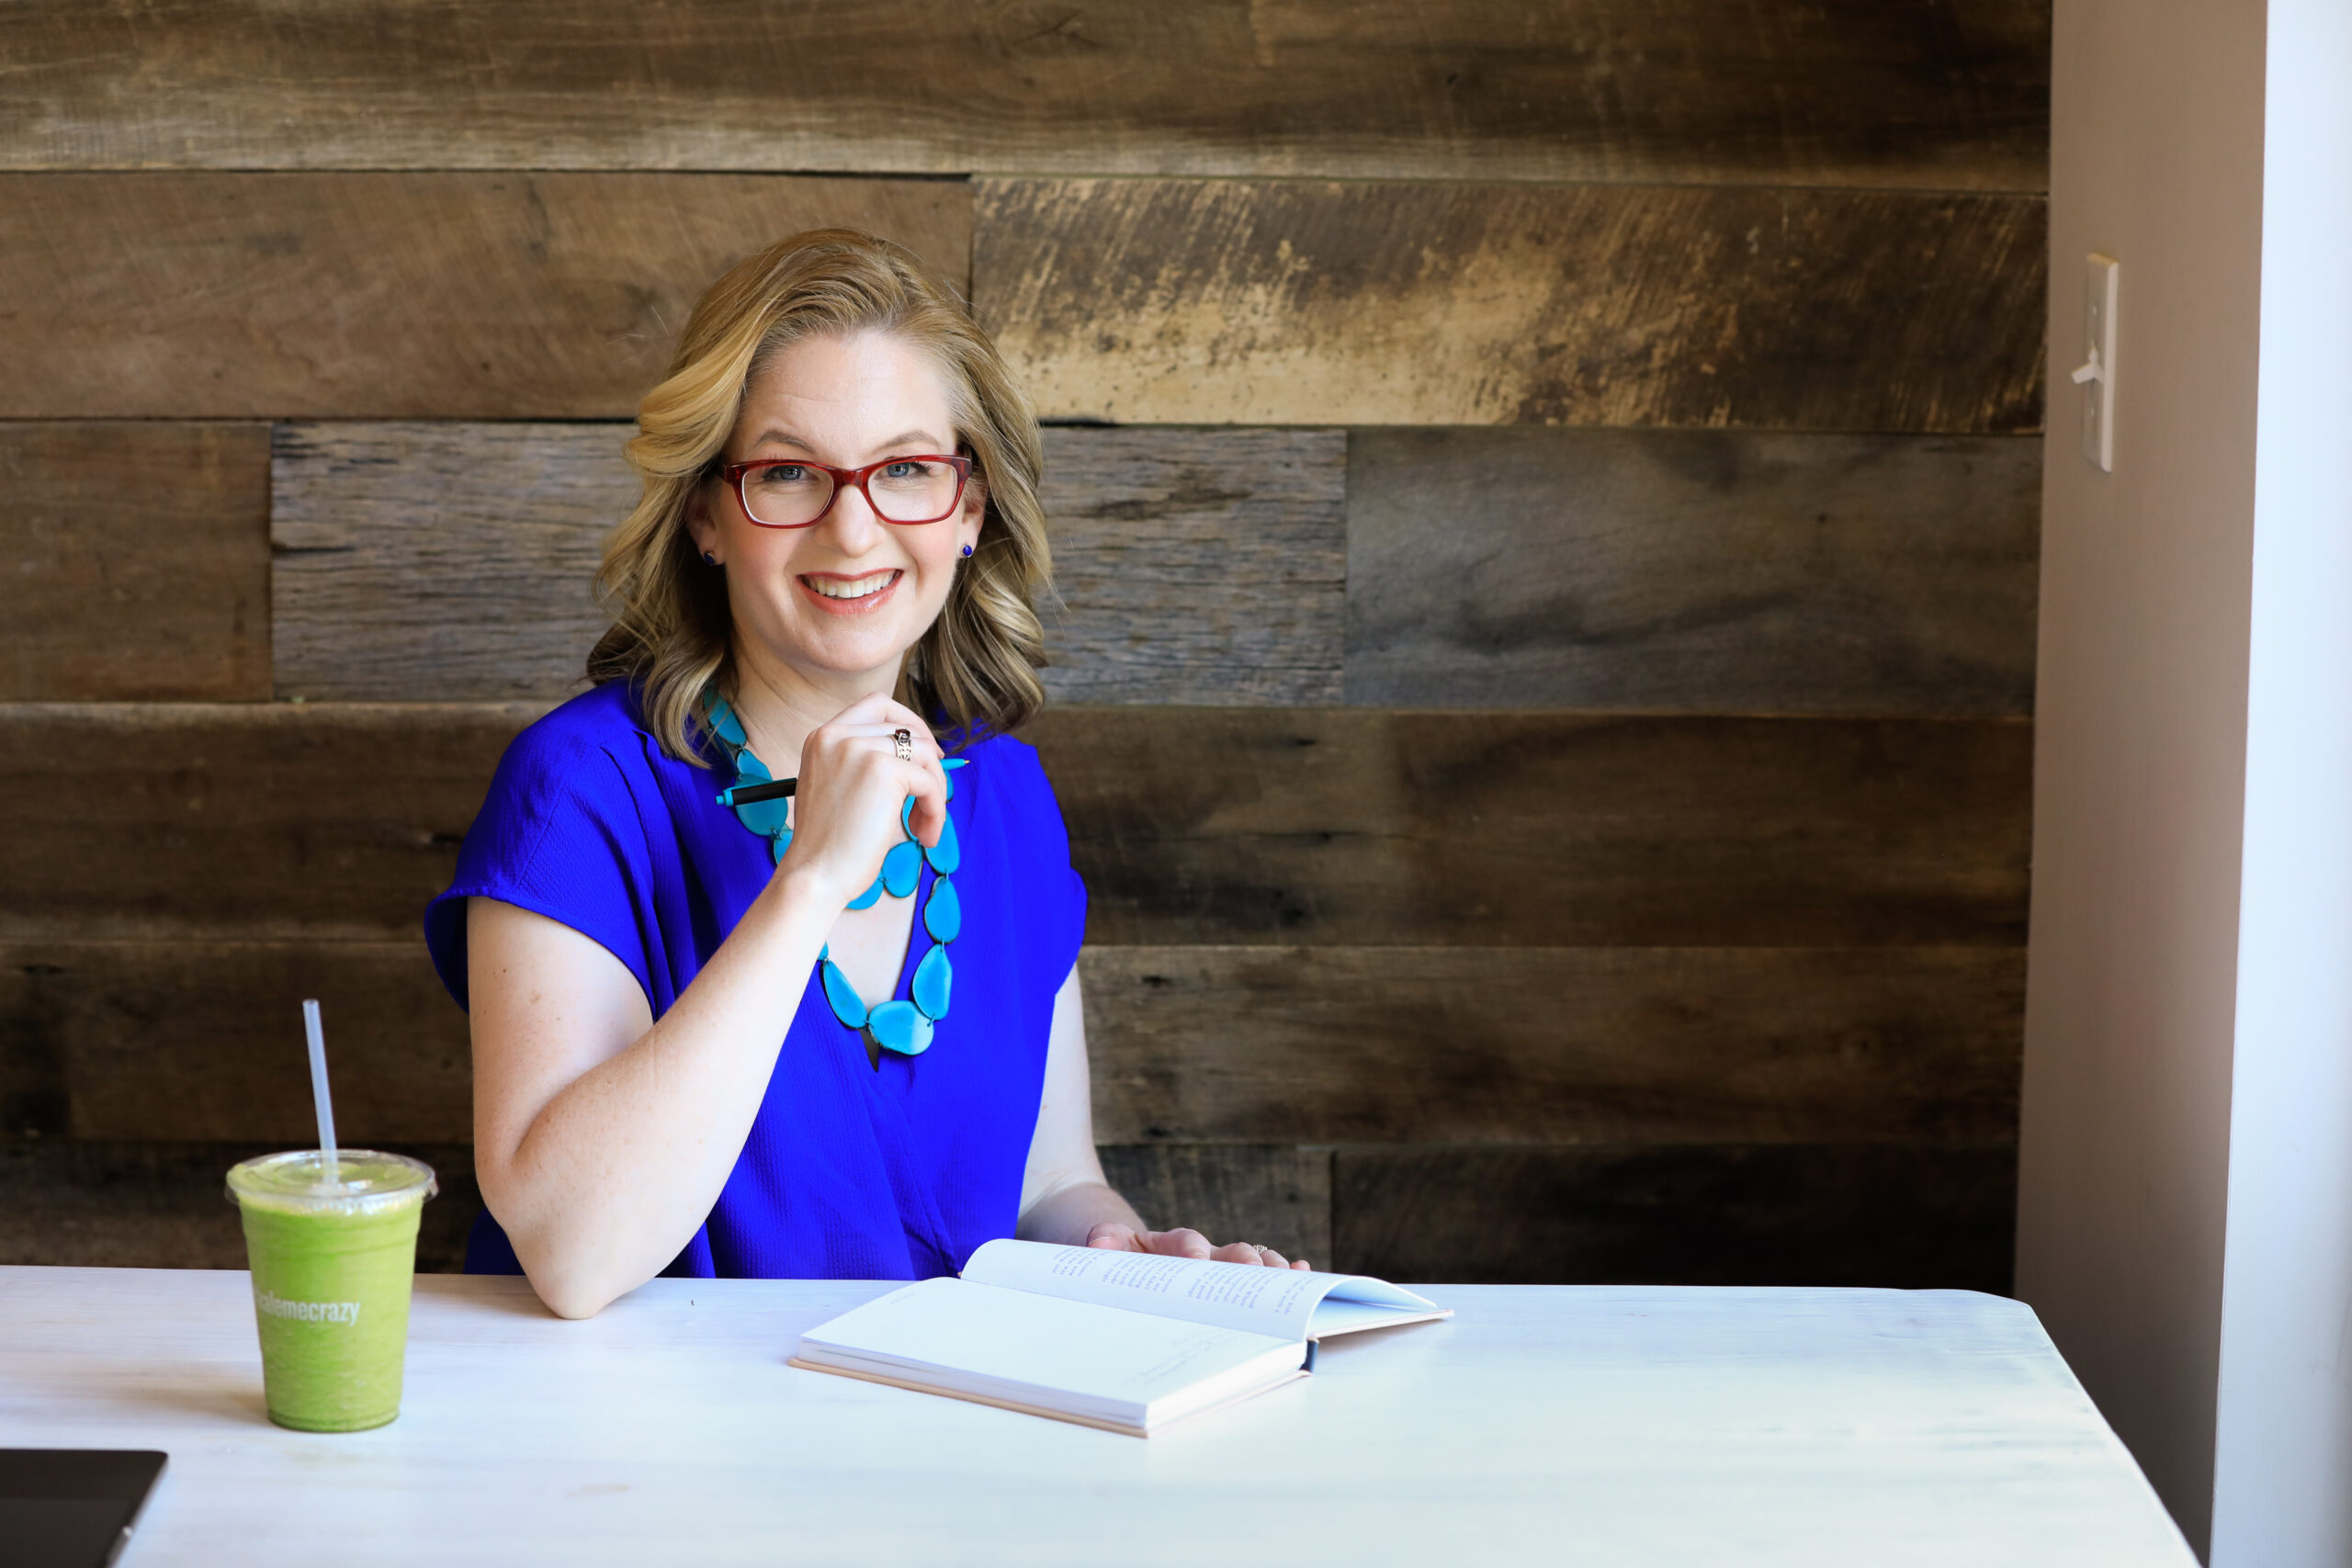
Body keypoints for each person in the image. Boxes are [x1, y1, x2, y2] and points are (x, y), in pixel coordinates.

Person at [424, 229, 1306, 1319]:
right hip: (638, 1465)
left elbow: (1046, 1187)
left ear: (968, 508)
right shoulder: (579, 790)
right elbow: (572, 1250)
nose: (853, 530)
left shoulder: (1007, 801)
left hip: (928, 1445)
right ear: (706, 512)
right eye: (788, 472)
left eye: (904, 471)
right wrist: (807, 884)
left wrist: (1122, 1251)